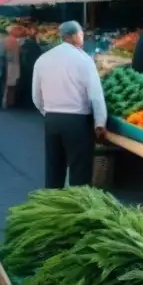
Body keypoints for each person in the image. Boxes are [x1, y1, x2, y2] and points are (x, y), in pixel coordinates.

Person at [32, 21, 107, 189]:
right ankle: (77, 208)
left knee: (54, 167)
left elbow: (36, 96)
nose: (82, 38)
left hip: (52, 119)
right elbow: (96, 95)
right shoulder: (84, 59)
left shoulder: (43, 59)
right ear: (74, 36)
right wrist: (100, 123)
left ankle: (52, 204)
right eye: (81, 34)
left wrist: (49, 112)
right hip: (77, 121)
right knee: (79, 170)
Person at [18, 29, 43, 108]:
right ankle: (31, 103)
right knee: (32, 86)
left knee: (25, 85)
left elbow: (21, 55)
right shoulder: (36, 46)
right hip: (33, 67)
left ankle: (25, 103)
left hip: (26, 68)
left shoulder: (24, 46)